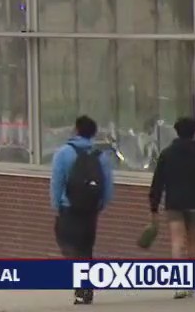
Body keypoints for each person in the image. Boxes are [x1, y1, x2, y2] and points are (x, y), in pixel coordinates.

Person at [50, 115, 114, 306]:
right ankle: (87, 288)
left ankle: (80, 288)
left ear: (76, 130)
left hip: (69, 208)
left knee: (70, 247)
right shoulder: (100, 155)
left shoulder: (63, 153)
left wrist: (57, 204)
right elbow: (108, 183)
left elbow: (57, 181)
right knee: (86, 248)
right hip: (90, 208)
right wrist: (102, 203)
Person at [149, 116, 195, 299]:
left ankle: (178, 284)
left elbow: (158, 182)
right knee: (193, 243)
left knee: (177, 242)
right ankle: (192, 284)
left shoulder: (167, 154)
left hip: (175, 204)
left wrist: (154, 206)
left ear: (176, 132)